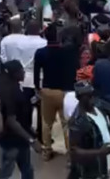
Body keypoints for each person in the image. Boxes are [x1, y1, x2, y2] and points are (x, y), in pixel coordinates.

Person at [32, 25, 79, 161]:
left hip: (48, 90)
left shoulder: (40, 53)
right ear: (58, 37)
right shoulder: (66, 52)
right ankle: (70, 153)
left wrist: (38, 88)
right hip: (65, 91)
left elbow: (36, 73)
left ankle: (47, 151)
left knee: (47, 123)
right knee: (66, 124)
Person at [67, 80, 110, 179]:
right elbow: (74, 151)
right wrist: (100, 152)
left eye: (92, 93)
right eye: (87, 95)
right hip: (88, 171)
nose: (91, 97)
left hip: (103, 164)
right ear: (79, 98)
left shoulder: (98, 104)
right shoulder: (77, 121)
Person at [0, 60, 42, 179]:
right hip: (13, 140)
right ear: (15, 73)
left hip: (21, 137)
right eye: (22, 71)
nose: (24, 73)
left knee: (27, 169)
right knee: (7, 170)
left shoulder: (14, 86)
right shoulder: (10, 91)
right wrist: (31, 140)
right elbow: (11, 120)